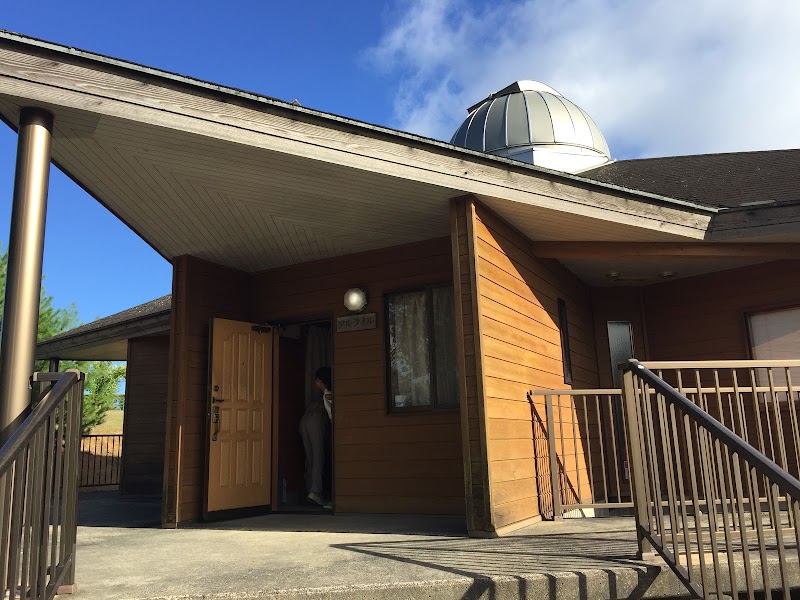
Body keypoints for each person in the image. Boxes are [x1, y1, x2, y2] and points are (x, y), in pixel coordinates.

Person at [299, 366, 332, 506]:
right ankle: (315, 491)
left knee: (311, 457)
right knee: (318, 455)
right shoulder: (328, 394)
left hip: (305, 420)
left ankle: (310, 490)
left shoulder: (327, 394)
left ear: (320, 380)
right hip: (316, 421)